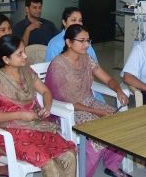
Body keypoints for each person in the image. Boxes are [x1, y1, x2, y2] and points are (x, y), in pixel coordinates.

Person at [0, 35, 76, 177]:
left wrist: (47, 108)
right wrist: (19, 115)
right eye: (20, 54)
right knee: (50, 165)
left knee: (69, 156)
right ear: (6, 59)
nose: (25, 56)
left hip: (36, 126)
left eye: (24, 51)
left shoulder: (26, 71)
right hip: (10, 132)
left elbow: (45, 91)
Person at [45, 24, 130, 177]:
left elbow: (108, 78)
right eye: (82, 41)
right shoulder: (58, 65)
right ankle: (85, 174)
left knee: (121, 123)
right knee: (97, 136)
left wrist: (119, 91)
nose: (87, 45)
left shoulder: (86, 58)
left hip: (89, 102)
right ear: (69, 42)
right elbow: (68, 102)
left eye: (88, 41)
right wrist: (99, 112)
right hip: (69, 110)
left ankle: (112, 165)